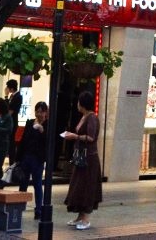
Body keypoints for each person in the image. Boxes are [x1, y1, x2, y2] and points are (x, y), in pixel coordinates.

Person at [61, 90, 101, 230]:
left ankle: (85, 219)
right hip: (81, 157)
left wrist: (75, 136)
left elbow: (90, 137)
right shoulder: (84, 117)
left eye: (79, 102)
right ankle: (79, 217)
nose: (77, 104)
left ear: (82, 103)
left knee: (86, 186)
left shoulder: (92, 118)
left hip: (89, 159)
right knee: (78, 185)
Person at [16, 101, 47, 210]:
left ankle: (39, 209)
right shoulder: (30, 123)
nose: (39, 114)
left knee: (37, 183)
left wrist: (42, 131)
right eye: (37, 111)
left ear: (45, 113)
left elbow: (47, 142)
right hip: (26, 157)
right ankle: (20, 206)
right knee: (23, 183)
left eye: (41, 112)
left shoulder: (47, 125)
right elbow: (24, 140)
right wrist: (18, 158)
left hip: (38, 159)